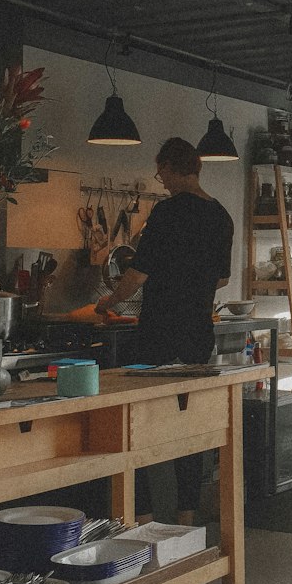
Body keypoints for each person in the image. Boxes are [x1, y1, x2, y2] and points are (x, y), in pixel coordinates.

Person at [95, 137, 234, 523]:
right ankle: (186, 520)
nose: (162, 181)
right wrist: (194, 284)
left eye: (162, 173)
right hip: (197, 338)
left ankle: (141, 519)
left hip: (158, 337)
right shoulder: (222, 215)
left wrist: (108, 302)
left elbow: (137, 274)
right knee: (189, 431)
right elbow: (221, 279)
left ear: (172, 168)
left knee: (142, 426)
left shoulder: (168, 212)